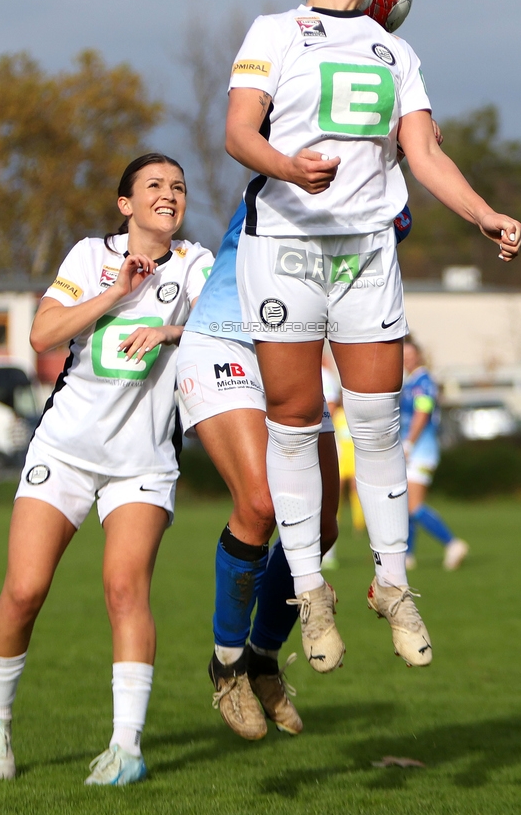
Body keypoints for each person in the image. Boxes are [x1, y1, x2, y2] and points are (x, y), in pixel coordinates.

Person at [225, 0, 521, 675]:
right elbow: (238, 134)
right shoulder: (274, 30)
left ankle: (393, 585)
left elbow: (424, 153)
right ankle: (311, 593)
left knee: (379, 420)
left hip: (366, 253)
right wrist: (288, 169)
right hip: (285, 249)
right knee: (294, 422)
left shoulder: (397, 50)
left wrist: (484, 212)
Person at [0, 153, 212, 785]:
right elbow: (43, 335)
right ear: (125, 204)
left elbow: (231, 334)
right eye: (155, 186)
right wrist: (117, 294)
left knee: (124, 590)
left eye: (179, 187)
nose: (169, 195)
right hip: (65, 452)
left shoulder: (197, 266)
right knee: (24, 591)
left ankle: (126, 749)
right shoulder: (88, 256)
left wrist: (169, 333)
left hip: (143, 463)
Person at [176, 198, 340, 740]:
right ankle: (226, 665)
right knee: (262, 504)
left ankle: (263, 657)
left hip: (292, 351)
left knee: (321, 526)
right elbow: (243, 133)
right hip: (229, 338)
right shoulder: (280, 168)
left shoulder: (381, 199)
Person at [401, 336, 468, 571]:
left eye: (410, 356)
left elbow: (422, 412)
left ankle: (452, 543)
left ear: (418, 355)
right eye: (404, 356)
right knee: (405, 505)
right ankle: (406, 556)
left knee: (413, 506)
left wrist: (409, 443)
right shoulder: (411, 381)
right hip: (412, 448)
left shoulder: (423, 382)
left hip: (421, 450)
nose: (407, 360)